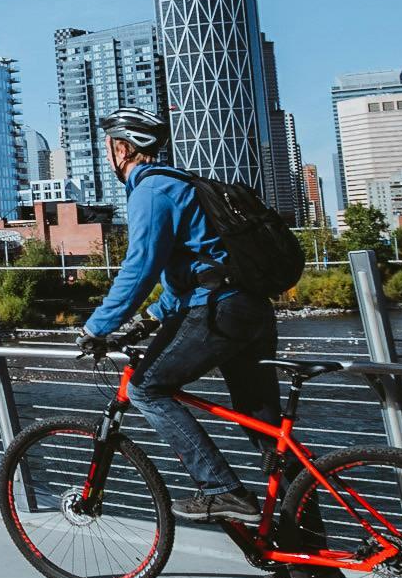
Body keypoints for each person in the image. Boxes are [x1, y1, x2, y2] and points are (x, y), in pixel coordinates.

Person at [75, 107, 282, 525]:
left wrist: (97, 328)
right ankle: (304, 554)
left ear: (121, 148)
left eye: (109, 149)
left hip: (218, 311)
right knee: (267, 432)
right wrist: (151, 318)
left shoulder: (150, 191)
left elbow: (141, 266)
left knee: (146, 389)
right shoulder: (184, 183)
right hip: (249, 306)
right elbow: (193, 272)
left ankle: (220, 489)